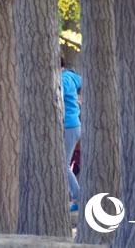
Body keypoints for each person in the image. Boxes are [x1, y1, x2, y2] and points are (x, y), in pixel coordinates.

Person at [61, 61, 82, 212]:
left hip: (68, 125)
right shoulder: (72, 76)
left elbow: (59, 100)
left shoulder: (63, 79)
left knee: (64, 165)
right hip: (74, 124)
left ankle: (77, 197)